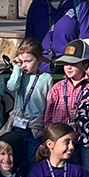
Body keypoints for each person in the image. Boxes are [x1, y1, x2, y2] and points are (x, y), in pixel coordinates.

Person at [4, 39, 55, 167]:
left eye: (28, 61)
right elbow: (11, 87)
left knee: (33, 160)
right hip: (18, 123)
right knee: (17, 159)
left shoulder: (46, 78)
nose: (24, 65)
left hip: (35, 127)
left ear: (38, 60)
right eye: (22, 61)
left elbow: (49, 102)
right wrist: (16, 68)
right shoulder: (20, 75)